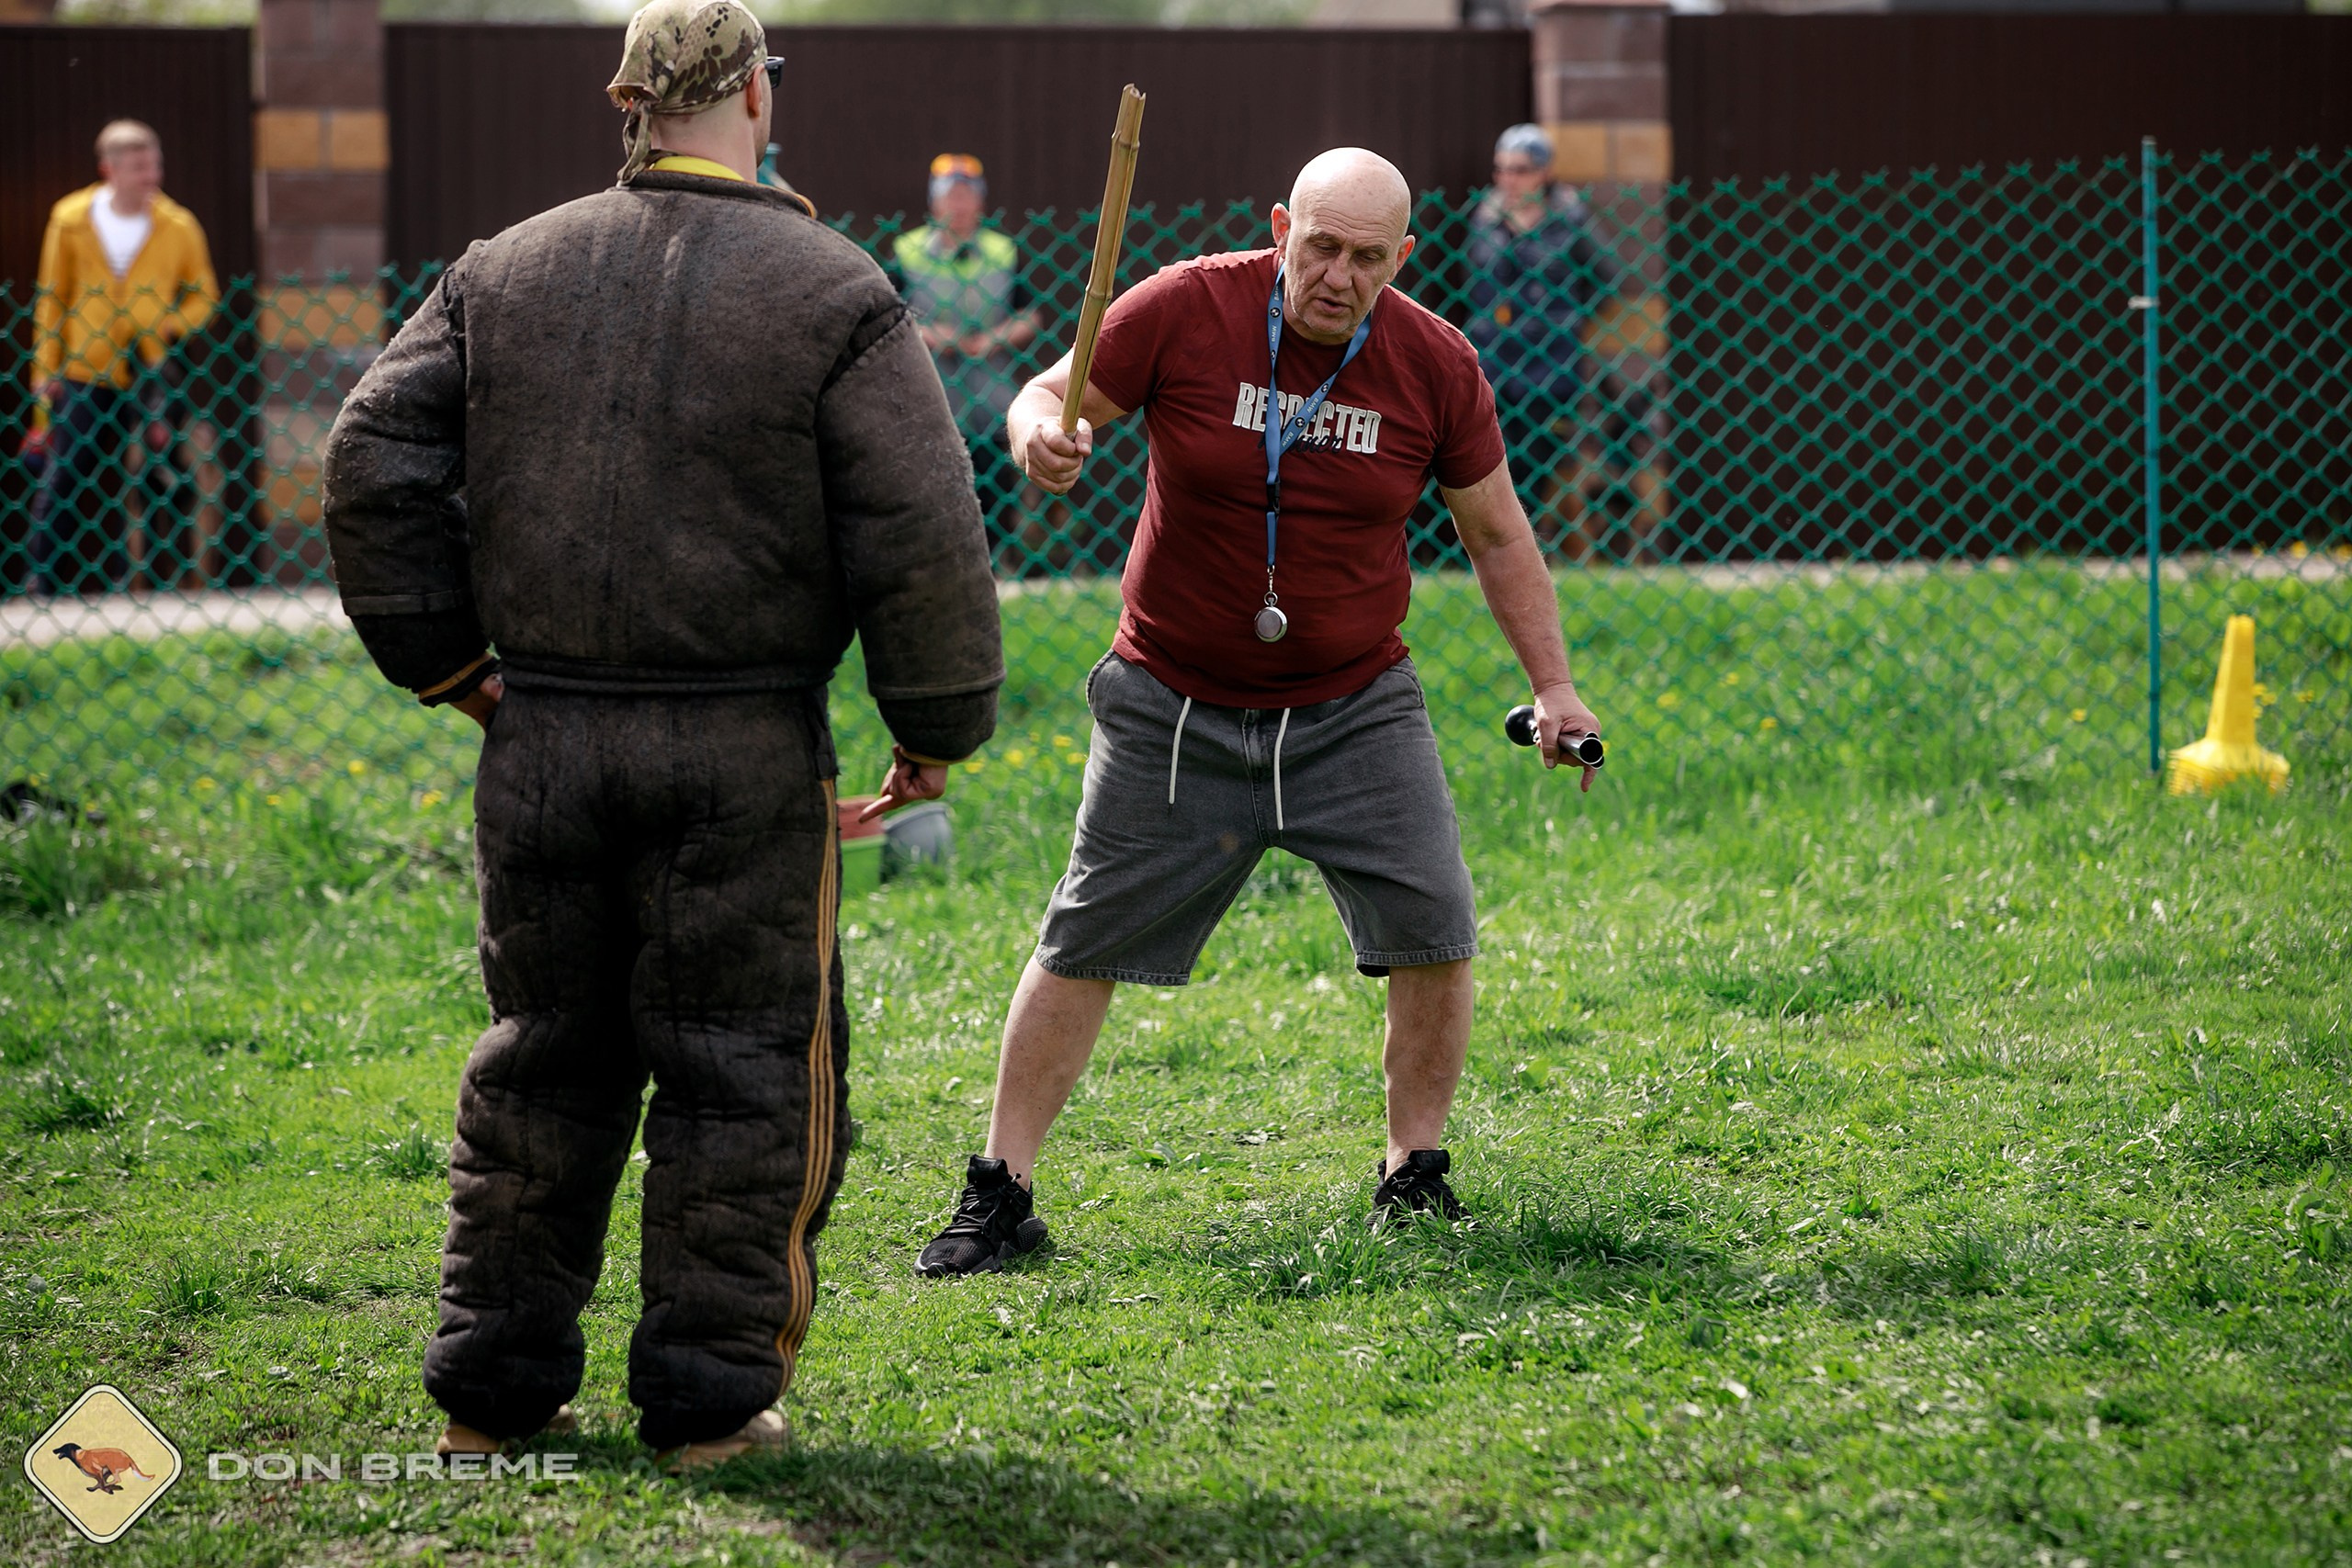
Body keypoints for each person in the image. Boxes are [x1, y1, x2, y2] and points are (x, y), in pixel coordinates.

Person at [321, 0, 1002, 1470]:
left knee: (538, 1059)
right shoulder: (834, 289)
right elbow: (924, 533)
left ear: (621, 94)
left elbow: (367, 458)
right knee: (745, 1067)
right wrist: (935, 725)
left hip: (544, 739)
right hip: (745, 752)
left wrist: (451, 667)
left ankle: (488, 1399)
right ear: (760, 92)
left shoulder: (499, 271)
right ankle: (707, 1408)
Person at [913, 148, 1605, 1279]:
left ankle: (1412, 1174)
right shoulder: (1187, 307)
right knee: (1081, 937)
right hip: (1173, 704)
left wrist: (1555, 686)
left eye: (1366, 258)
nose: (1336, 276)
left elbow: (1496, 532)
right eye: (1318, 246)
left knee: (1435, 923)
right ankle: (1000, 1191)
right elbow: (1049, 392)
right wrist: (1035, 434)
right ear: (1280, 226)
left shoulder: (1435, 362)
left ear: (1403, 260)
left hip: (1353, 706)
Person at [28, 119, 218, 595]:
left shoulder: (178, 225)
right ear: (108, 169)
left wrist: (170, 324)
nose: (150, 174)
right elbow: (52, 296)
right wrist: (44, 369)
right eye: (138, 166)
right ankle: (41, 578)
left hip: (151, 371)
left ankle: (150, 581)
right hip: (85, 367)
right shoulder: (70, 218)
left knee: (152, 474)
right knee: (68, 472)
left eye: (154, 163)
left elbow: (205, 296)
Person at [1464, 124, 1631, 561]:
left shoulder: (1569, 221)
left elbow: (1607, 280)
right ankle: (1488, 547)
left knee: (1539, 460)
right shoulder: (1485, 217)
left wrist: (1565, 320)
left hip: (1550, 364)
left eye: (1520, 170)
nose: (1508, 180)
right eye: (1501, 170)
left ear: (1544, 173)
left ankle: (1523, 551)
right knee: (1491, 456)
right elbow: (1467, 283)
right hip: (1496, 358)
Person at [887, 154, 1042, 570]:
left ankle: (998, 563)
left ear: (981, 202)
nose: (958, 204)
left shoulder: (1002, 250)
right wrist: (933, 335)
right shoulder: (908, 250)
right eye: (950, 195)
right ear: (934, 203)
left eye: (966, 195)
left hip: (991, 389)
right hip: (935, 388)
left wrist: (992, 339)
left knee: (997, 476)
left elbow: (1031, 314)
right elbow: (891, 312)